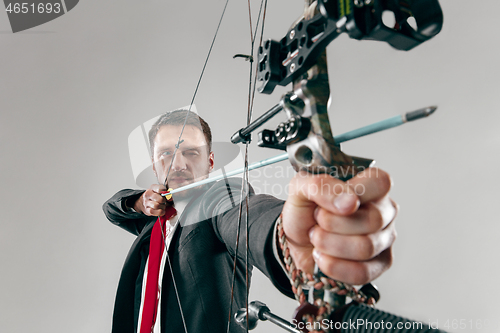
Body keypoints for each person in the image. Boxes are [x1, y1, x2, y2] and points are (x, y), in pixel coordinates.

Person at [103, 109, 397, 333]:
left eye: (191, 152)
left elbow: (246, 217)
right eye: (166, 154)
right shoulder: (150, 222)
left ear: (210, 161)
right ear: (154, 165)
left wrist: (293, 236)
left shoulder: (218, 198)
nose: (178, 163)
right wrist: (139, 201)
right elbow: (113, 208)